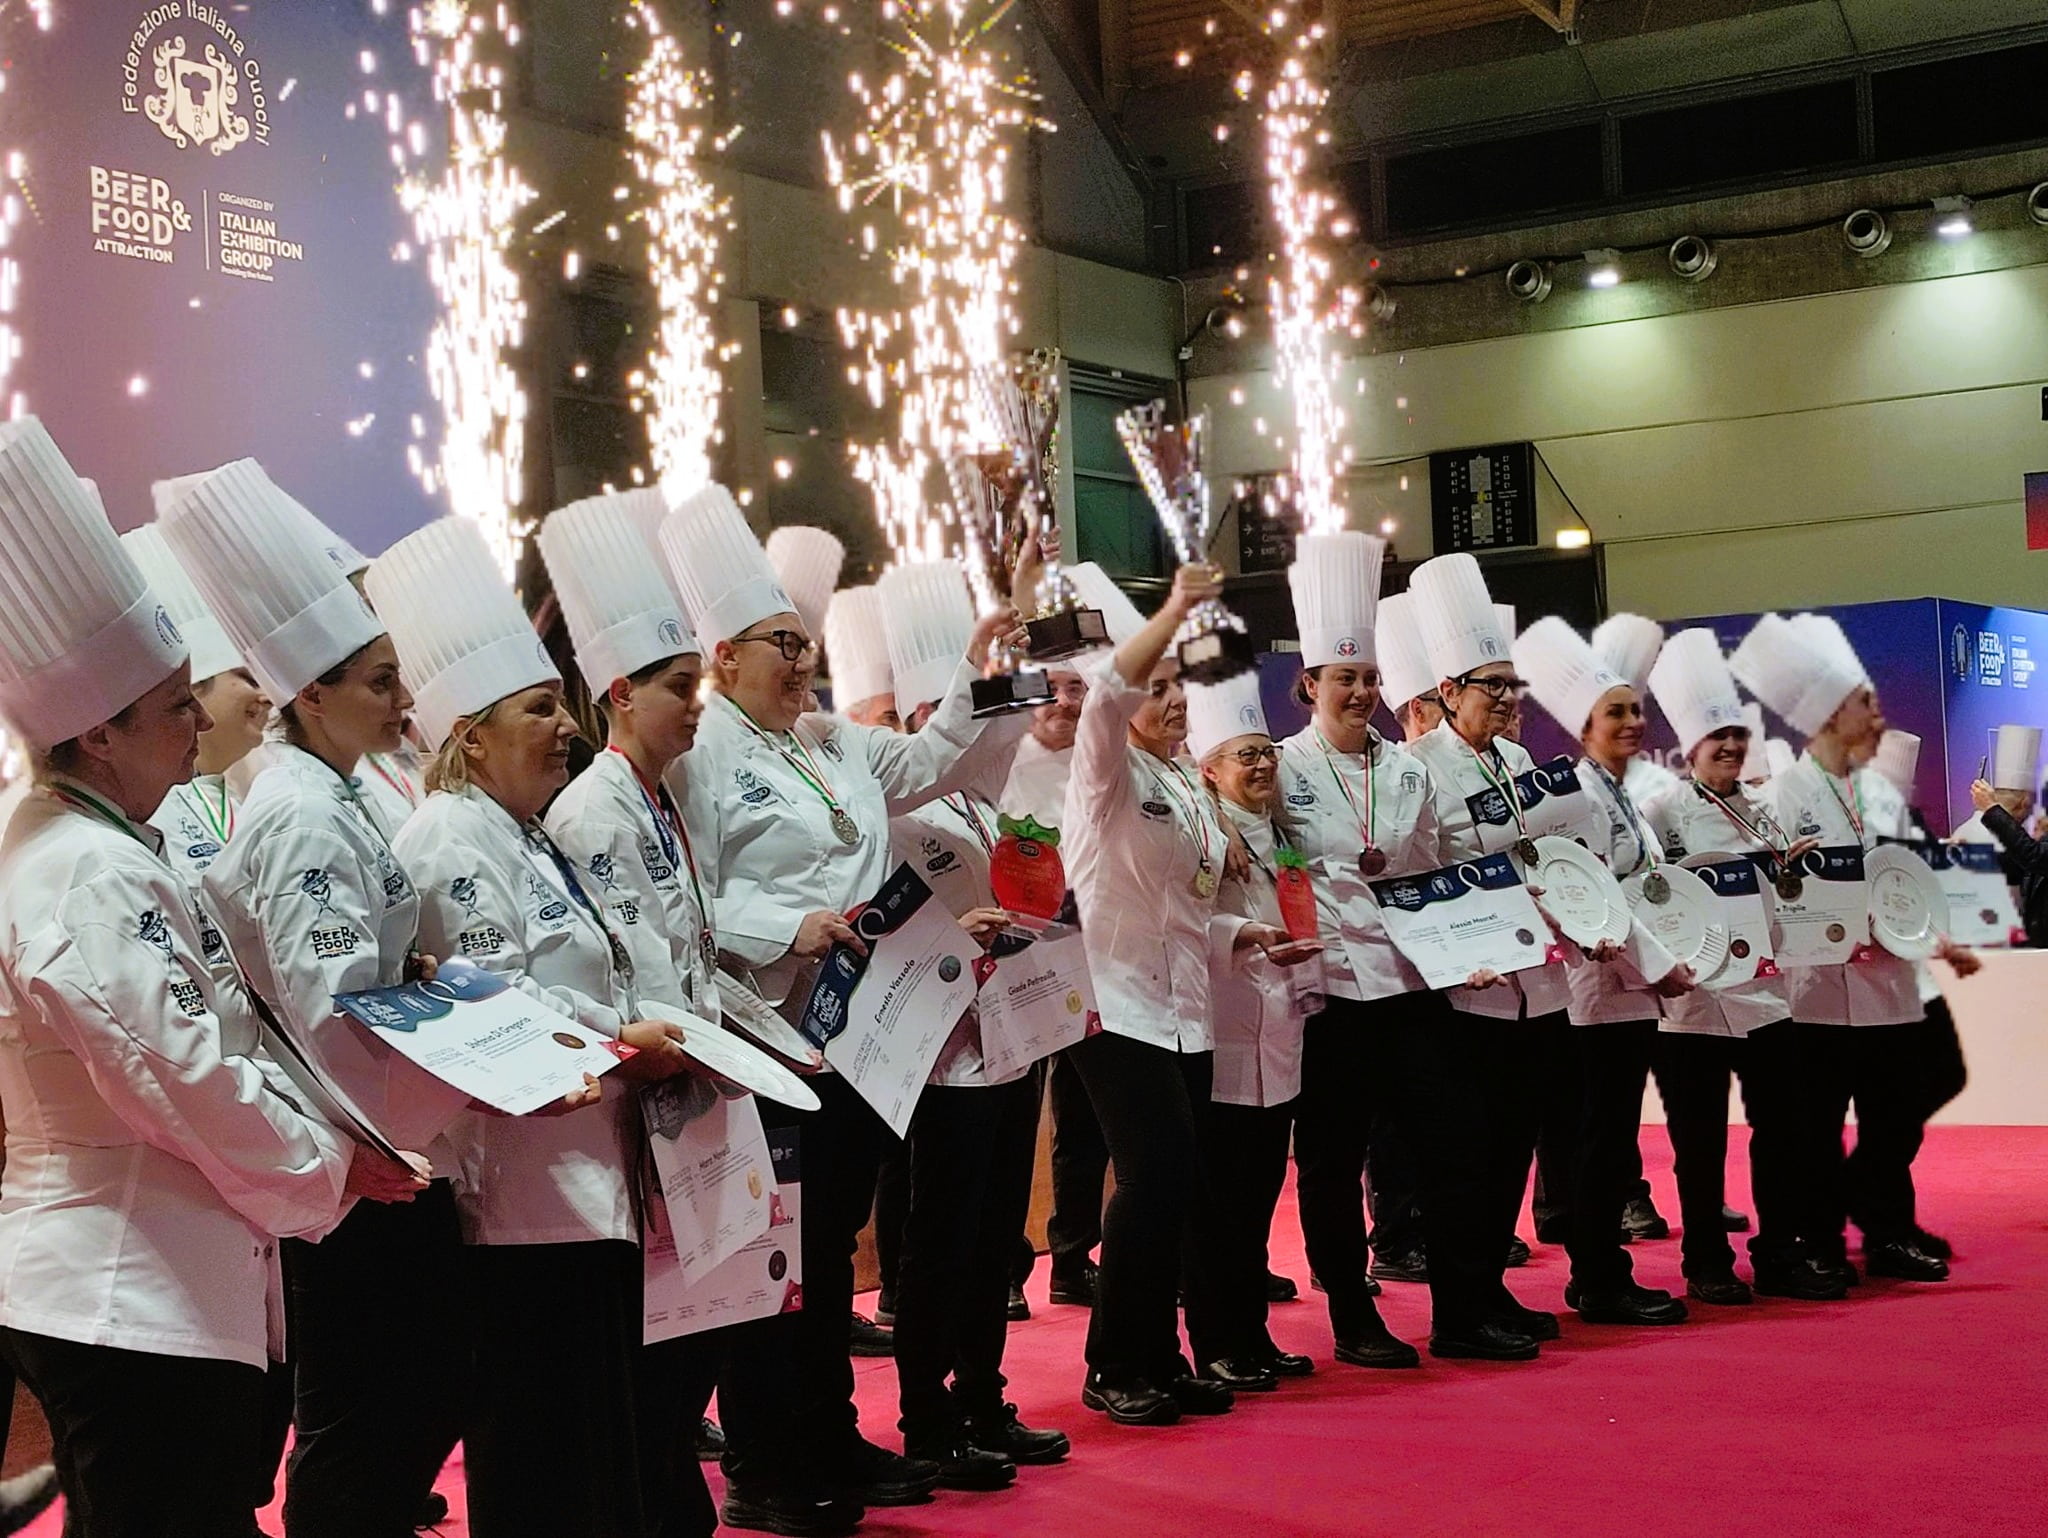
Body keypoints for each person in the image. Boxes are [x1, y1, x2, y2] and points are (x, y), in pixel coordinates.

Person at [0, 417, 427, 1538]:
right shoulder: (89, 869)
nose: (200, 722)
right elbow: (182, 1072)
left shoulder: (93, 844)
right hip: (124, 1284)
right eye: (176, 704)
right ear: (99, 735)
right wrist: (331, 1165)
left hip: (145, 1276)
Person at [663, 484, 1008, 1510]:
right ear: (722, 657)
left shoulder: (836, 741)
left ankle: (828, 1432)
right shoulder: (696, 756)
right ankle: (764, 1462)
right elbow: (682, 901)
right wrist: (785, 928)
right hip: (766, 1035)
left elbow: (938, 753)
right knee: (778, 1252)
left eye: (805, 641)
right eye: (780, 642)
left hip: (860, 1034)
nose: (801, 659)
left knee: (833, 1240)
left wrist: (980, 662)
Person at [162, 463, 484, 1538]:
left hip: (380, 1138)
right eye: (381, 682)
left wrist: (422, 982)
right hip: (359, 1155)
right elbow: (330, 1011)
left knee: (401, 1395)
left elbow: (356, 979)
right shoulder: (301, 810)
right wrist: (381, 1138)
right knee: (370, 1407)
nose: (402, 701)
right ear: (312, 694)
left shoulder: (330, 793)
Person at [377, 517, 700, 1538]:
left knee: (595, 1453)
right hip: (523, 1202)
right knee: (545, 1458)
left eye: (561, 704)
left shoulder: (523, 832)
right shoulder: (448, 836)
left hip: (589, 1180)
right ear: (470, 733)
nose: (565, 726)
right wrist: (624, 1040)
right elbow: (490, 995)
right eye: (539, 707)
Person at [537, 492, 849, 1538]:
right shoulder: (595, 809)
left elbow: (693, 956)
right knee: (663, 1357)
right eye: (680, 687)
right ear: (620, 693)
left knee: (703, 1331)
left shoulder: (659, 796)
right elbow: (629, 978)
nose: (697, 706)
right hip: (649, 1098)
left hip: (701, 1085)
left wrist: (769, 1040)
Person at [1062, 564, 1318, 1426]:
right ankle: (1113, 1363)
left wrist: (1243, 933)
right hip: (1115, 1005)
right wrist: (1175, 608)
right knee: (1152, 1176)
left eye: (1181, 688)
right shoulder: (1104, 771)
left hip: (1187, 1009)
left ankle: (1162, 1359)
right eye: (1160, 687)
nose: (1175, 701)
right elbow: (1106, 697)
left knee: (1176, 1187)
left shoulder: (1182, 783)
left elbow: (1191, 910)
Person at [1405, 554, 1682, 1338]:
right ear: (1447, 691)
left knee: (1515, 1150)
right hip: (1471, 994)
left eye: (1509, 686)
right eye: (1488, 686)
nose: (1503, 699)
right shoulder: (1417, 771)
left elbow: (1559, 862)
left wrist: (1590, 921)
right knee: (1466, 1156)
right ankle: (1459, 1311)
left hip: (1542, 988)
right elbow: (1423, 879)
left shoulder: (1522, 763)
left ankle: (1489, 1292)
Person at [876, 556, 1070, 1487]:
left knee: (996, 1237)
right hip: (942, 1053)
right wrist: (955, 931)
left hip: (1013, 1039)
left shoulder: (996, 805)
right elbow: (880, 922)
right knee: (941, 1238)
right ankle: (926, 1415)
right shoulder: (892, 811)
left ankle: (984, 1395)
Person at [1731, 613, 1977, 1289]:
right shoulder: (1782, 796)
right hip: (1818, 995)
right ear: (1830, 713)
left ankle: (1889, 1232)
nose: (1878, 714)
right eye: (1865, 701)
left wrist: (1941, 940)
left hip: (1891, 989)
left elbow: (1906, 890)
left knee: (1893, 1121)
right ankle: (1822, 1242)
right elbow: (1769, 896)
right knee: (1817, 1127)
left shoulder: (1879, 795)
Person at [1642, 629, 1836, 1302]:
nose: (1728, 746)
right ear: (1690, 746)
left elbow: (1780, 902)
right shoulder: (1660, 812)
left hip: (1764, 996)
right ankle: (1705, 1261)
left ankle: (1779, 1251)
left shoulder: (1764, 811)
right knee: (1700, 1142)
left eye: (1735, 735)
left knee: (1783, 1129)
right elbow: (1650, 896)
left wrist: (1793, 876)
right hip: (1692, 1003)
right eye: (1715, 736)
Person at [1512, 618, 1695, 1328]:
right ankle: (1598, 1278)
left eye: (1636, 710)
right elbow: (1590, 897)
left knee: (1612, 1140)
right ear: (1585, 725)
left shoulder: (1622, 795)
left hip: (1633, 989)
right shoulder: (1578, 797)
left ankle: (1600, 1273)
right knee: (1598, 1141)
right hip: (1598, 993)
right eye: (1616, 711)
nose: (1632, 722)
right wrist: (1659, 964)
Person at [1185, 668, 1317, 1387]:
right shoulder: (1203, 833)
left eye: (1268, 752)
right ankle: (1216, 1341)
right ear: (1208, 770)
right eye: (1246, 756)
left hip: (1283, 1027)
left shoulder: (1284, 830)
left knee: (1260, 1197)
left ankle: (1253, 1334)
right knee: (1217, 1205)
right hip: (1225, 1027)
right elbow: (1182, 922)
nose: (1264, 765)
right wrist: (1245, 934)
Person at [120, 525, 270, 887]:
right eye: (247, 679)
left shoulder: (234, 798)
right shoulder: (150, 812)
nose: (266, 696)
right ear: (194, 690)